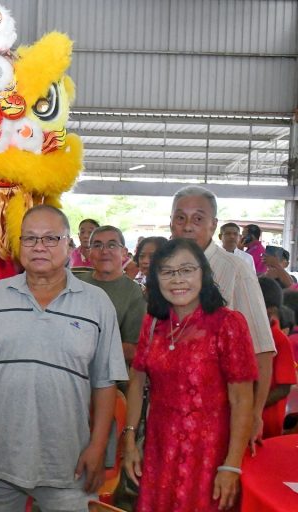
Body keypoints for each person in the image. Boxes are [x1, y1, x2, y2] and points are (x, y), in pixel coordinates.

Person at [0, 205, 127, 512]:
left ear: (69, 243)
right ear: (19, 244)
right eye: (30, 238)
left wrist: (98, 447)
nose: (39, 247)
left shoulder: (96, 304)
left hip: (68, 464)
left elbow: (105, 383)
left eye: (50, 238)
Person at [123, 238, 257, 512]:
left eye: (186, 270)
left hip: (209, 456)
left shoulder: (227, 324)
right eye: (167, 271)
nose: (177, 279)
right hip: (159, 450)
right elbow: (137, 381)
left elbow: (242, 400)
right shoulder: (153, 323)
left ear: (203, 274)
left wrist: (231, 465)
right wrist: (129, 439)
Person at [170, 185, 275, 450]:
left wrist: (254, 414)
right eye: (180, 218)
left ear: (213, 224)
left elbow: (261, 349)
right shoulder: (165, 267)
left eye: (198, 218)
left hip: (219, 410)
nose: (188, 226)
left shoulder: (234, 269)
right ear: (171, 223)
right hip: (168, 407)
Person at [78, 226, 146, 368]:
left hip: (111, 377)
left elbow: (133, 349)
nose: (104, 251)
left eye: (112, 245)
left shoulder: (134, 293)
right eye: (97, 245)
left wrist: (85, 348)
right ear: (89, 252)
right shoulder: (75, 283)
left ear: (124, 253)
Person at [256, 276, 297, 439]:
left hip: (268, 424)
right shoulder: (246, 336)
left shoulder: (280, 340)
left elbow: (284, 388)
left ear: (270, 311)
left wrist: (253, 406)